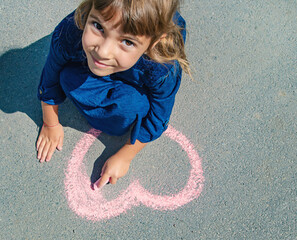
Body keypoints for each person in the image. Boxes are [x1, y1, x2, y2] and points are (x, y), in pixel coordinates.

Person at [35, 0, 191, 189]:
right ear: (89, 7)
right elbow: (50, 75)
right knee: (69, 78)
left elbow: (159, 117)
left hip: (138, 72)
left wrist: (126, 155)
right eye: (98, 26)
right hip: (100, 62)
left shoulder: (161, 65)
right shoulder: (71, 30)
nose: (103, 51)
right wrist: (50, 122)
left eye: (127, 42)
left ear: (154, 41)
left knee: (131, 108)